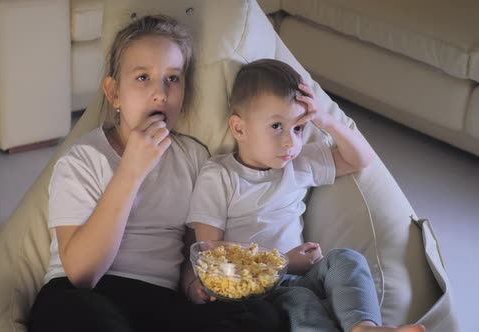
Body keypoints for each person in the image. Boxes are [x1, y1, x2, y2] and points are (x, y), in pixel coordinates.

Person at [28, 15, 281, 332]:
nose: (161, 93)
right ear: (114, 93)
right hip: (85, 296)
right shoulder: (83, 159)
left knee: (261, 317)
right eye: (143, 78)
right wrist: (131, 172)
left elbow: (193, 245)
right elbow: (82, 273)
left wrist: (193, 284)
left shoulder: (193, 157)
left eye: (173, 78)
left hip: (158, 301)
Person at [186, 59, 425, 332]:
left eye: (298, 128)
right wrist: (283, 261)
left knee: (347, 259)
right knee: (301, 301)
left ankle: (364, 327)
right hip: (253, 288)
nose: (291, 141)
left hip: (304, 274)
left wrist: (325, 120)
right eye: (277, 126)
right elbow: (209, 251)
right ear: (239, 128)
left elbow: (361, 159)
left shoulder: (300, 163)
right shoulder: (219, 175)